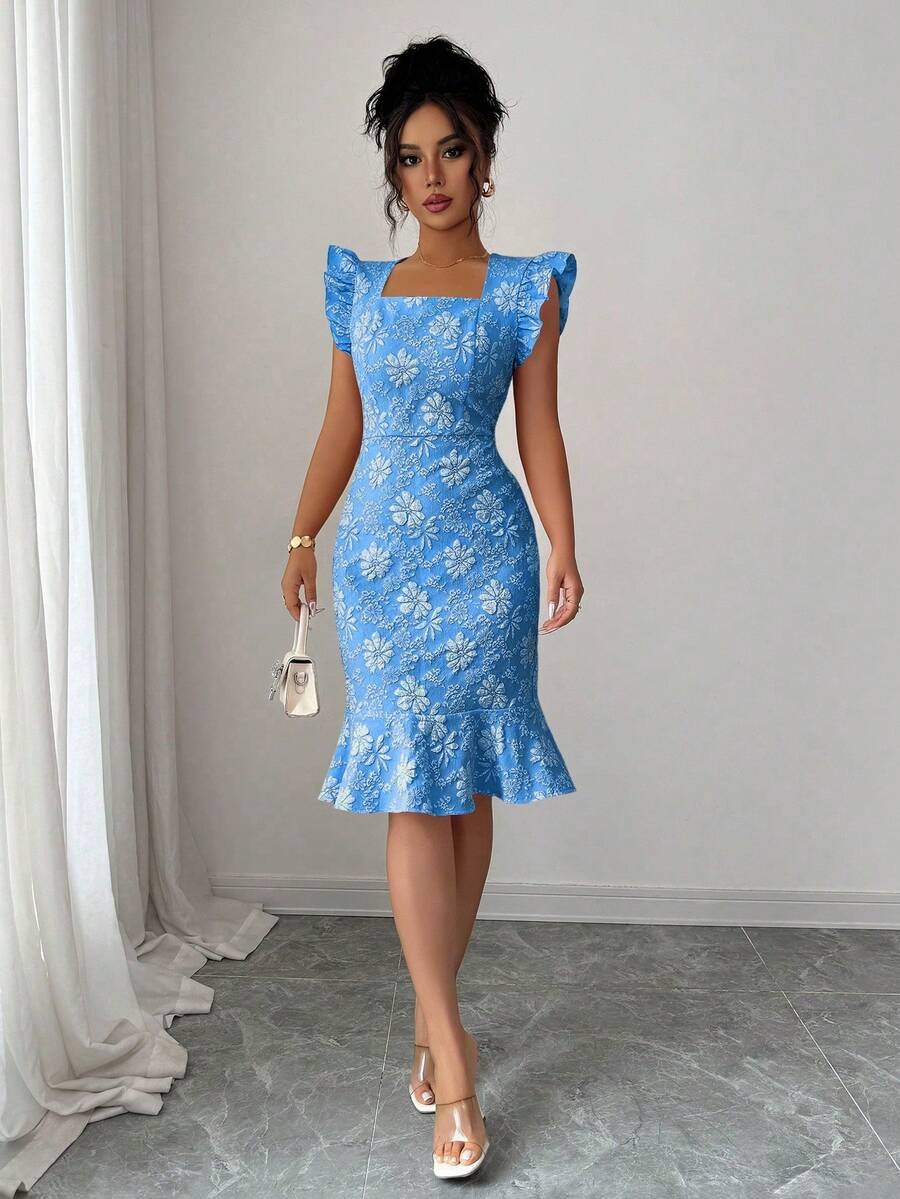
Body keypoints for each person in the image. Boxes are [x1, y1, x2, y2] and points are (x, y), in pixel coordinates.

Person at [280, 35, 584, 1181]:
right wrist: (301, 534)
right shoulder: (363, 289)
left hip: (486, 561)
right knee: (412, 783)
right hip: (380, 568)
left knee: (464, 791)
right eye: (410, 158)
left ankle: (428, 1009)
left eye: (451, 150)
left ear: (485, 157)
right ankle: (453, 1055)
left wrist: (562, 542)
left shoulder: (524, 288)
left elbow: (539, 429)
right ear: (393, 175)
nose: (433, 175)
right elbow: (342, 428)